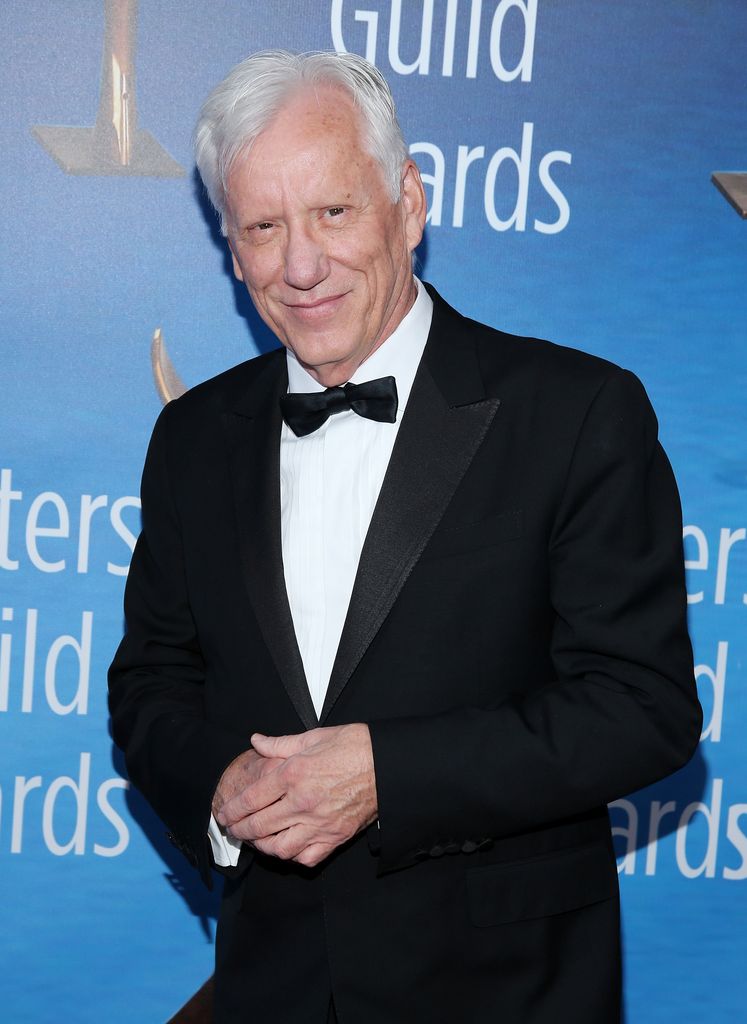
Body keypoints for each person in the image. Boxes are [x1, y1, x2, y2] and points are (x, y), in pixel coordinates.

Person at [108, 50, 701, 1024]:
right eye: (263, 227)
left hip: (509, 994)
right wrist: (224, 783)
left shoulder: (577, 412)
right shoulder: (192, 438)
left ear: (409, 204)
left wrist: (389, 774)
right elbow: (151, 681)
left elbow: (643, 706)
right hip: (272, 989)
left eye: (332, 213)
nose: (300, 266)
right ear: (231, 244)